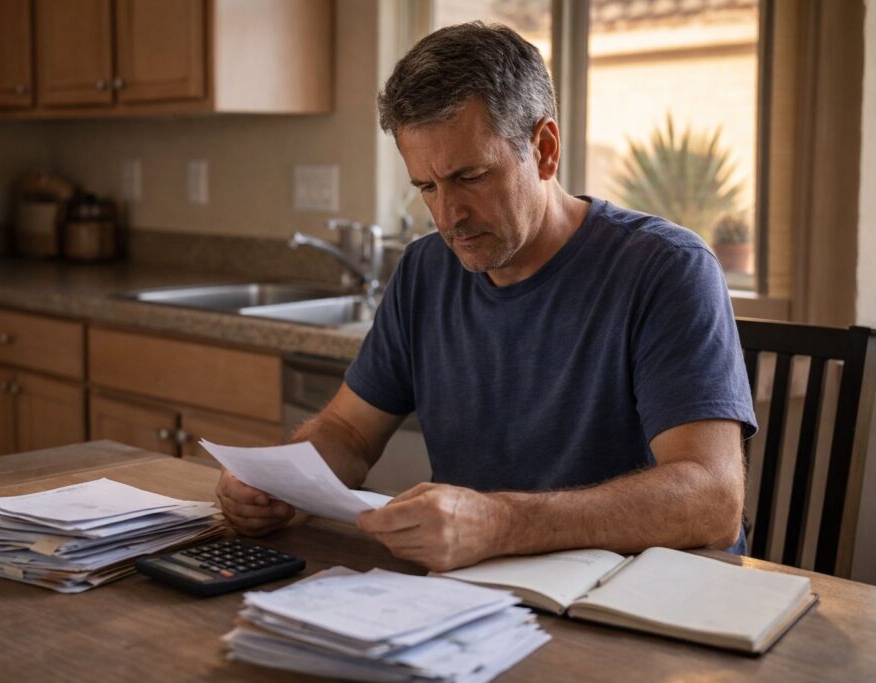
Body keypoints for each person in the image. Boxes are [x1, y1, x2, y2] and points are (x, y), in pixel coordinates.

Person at [216, 22, 757, 572]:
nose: (448, 216)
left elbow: (712, 500)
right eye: (427, 188)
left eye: (470, 177)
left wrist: (501, 523)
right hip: (479, 590)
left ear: (544, 150)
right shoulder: (424, 271)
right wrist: (279, 482)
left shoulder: (666, 268)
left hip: (636, 595)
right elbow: (348, 432)